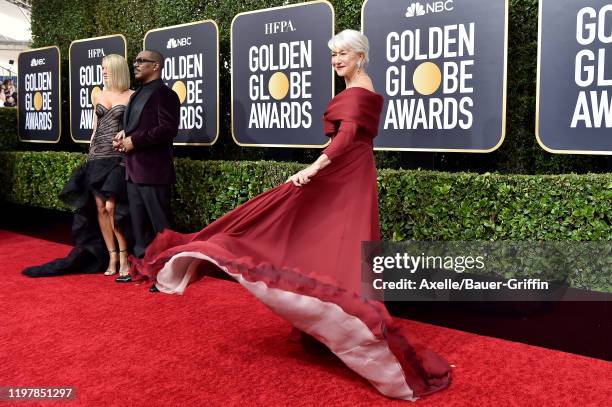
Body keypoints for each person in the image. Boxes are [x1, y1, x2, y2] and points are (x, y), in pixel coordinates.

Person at [129, 30, 451, 399]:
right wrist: (323, 161)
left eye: (343, 53)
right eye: (333, 54)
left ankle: (349, 327)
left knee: (308, 229)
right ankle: (329, 327)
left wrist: (314, 167)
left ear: (361, 55)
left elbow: (346, 138)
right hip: (349, 172)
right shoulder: (359, 85)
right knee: (331, 242)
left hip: (343, 174)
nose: (336, 60)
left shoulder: (359, 88)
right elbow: (345, 139)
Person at [23, 54, 133, 277]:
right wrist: (89, 154)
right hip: (96, 156)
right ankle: (111, 256)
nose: (102, 72)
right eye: (101, 68)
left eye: (105, 68)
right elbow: (95, 127)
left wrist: (127, 133)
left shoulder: (133, 96)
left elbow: (135, 127)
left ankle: (125, 256)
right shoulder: (99, 95)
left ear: (117, 69)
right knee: (100, 207)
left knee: (114, 208)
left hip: (118, 157)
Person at [113, 50, 180, 285]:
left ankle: (169, 275)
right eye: (135, 60)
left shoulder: (165, 94)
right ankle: (143, 270)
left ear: (156, 66)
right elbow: (136, 126)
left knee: (162, 229)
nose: (136, 64)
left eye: (142, 61)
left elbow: (168, 129)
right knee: (139, 227)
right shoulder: (137, 94)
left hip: (153, 172)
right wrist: (124, 135)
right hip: (133, 171)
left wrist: (135, 140)